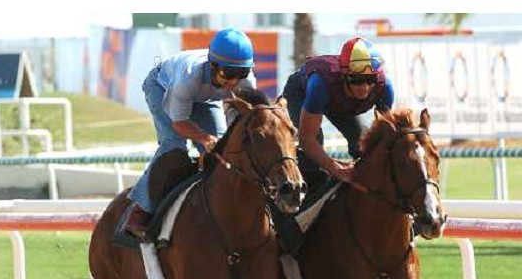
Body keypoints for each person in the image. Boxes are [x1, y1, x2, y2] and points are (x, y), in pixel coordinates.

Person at [125, 28, 257, 238]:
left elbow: (243, 120)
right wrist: (204, 138)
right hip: (161, 86)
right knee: (174, 146)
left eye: (241, 74)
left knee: (221, 149)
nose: (234, 82)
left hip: (206, 97)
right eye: (228, 74)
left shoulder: (246, 81)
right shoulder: (187, 79)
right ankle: (140, 211)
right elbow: (179, 124)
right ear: (212, 66)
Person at [282, 37, 394, 186]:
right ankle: (304, 195)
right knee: (316, 144)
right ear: (344, 76)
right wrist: (334, 169)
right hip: (301, 92)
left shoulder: (385, 87)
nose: (365, 88)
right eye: (357, 80)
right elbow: (307, 139)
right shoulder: (319, 85)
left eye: (370, 79)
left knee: (362, 144)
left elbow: (383, 137)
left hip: (339, 102)